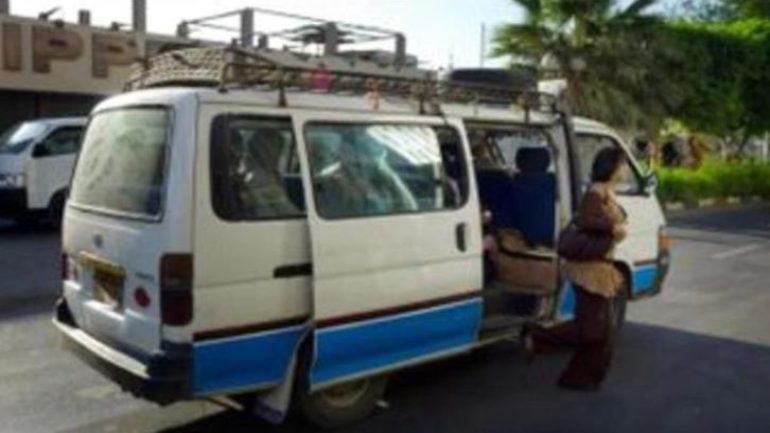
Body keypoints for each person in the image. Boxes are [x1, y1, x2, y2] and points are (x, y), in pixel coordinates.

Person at [523, 147, 629, 391]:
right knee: (594, 331)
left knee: (598, 330)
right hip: (589, 271)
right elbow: (585, 220)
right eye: (622, 165)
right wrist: (614, 228)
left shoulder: (606, 191)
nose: (625, 170)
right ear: (612, 167)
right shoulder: (595, 193)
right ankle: (538, 339)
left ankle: (580, 377)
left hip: (599, 268)